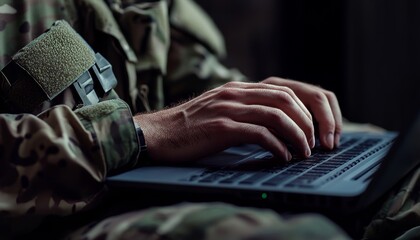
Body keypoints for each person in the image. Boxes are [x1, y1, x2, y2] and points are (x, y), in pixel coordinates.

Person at [0, 1, 418, 239]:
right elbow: (170, 121)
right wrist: (143, 133)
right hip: (56, 220)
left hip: (164, 178)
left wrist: (257, 103)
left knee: (399, 173)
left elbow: (190, 79)